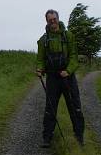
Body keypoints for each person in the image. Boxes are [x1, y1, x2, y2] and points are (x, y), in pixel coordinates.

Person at [35, 9, 85, 147]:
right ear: (46, 21)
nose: (52, 21)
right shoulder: (43, 40)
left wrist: (68, 71)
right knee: (50, 108)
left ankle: (79, 136)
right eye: (49, 20)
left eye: (54, 19)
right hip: (52, 78)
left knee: (75, 107)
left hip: (67, 78)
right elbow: (40, 59)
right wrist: (40, 69)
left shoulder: (68, 36)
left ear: (58, 19)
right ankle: (47, 138)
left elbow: (74, 57)